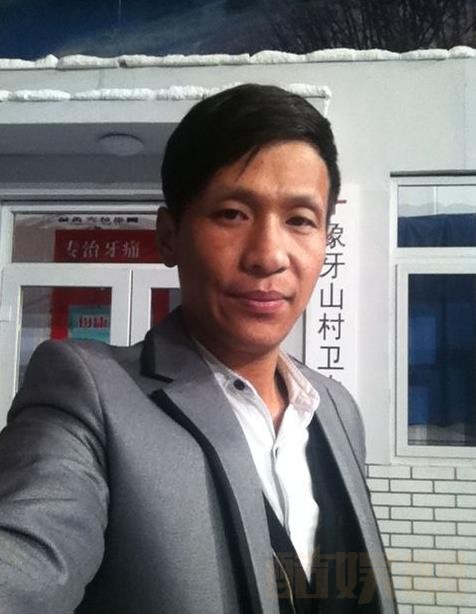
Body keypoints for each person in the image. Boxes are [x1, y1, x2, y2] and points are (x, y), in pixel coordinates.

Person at [0, 83, 396, 614]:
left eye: (300, 220)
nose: (269, 256)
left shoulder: (336, 409)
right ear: (169, 236)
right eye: (232, 213)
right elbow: (25, 557)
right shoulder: (89, 398)